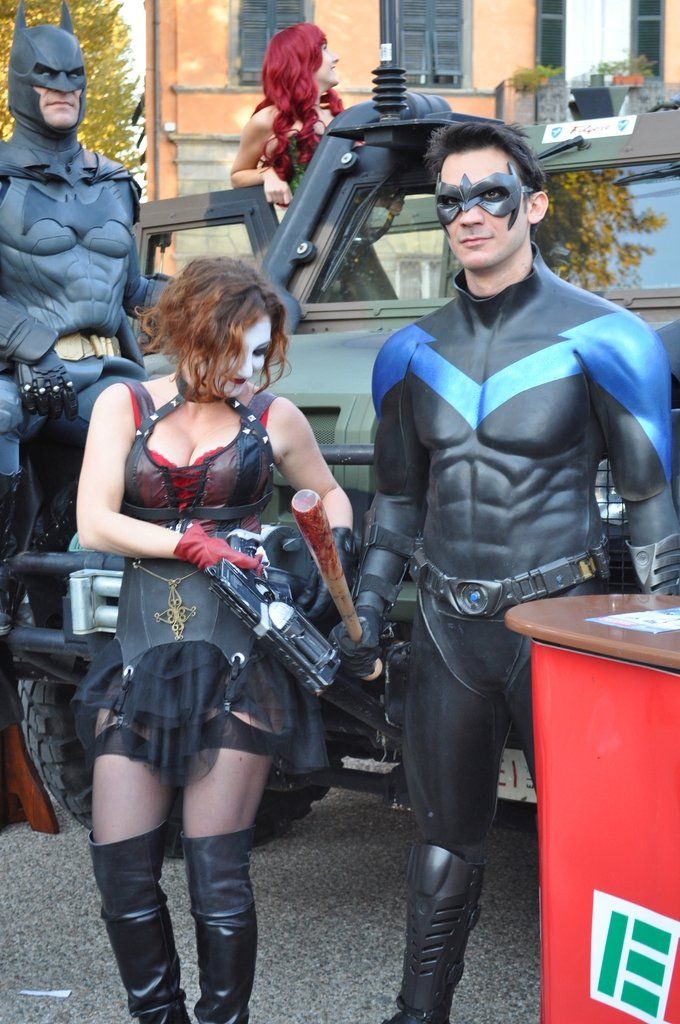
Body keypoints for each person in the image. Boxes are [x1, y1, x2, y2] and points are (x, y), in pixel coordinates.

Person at [331, 120, 680, 1024]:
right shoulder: (410, 352)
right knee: (441, 842)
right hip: (448, 626)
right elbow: (397, 503)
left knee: (607, 847)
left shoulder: (608, 339)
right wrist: (366, 605)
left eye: (490, 194)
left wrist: (662, 639)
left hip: (562, 624)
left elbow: (650, 502)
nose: (469, 215)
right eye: (451, 200)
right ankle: (419, 1013)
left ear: (534, 204)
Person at [72, 257, 354, 1024]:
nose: (250, 369)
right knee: (123, 877)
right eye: (237, 351)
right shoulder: (125, 404)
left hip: (240, 659)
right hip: (139, 659)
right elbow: (94, 521)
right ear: (193, 333)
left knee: (218, 878)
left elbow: (330, 494)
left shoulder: (273, 418)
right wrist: (189, 544)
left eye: (262, 353)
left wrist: (322, 548)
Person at [0, 1, 167, 636]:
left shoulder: (115, 182)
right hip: (17, 374)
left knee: (169, 428)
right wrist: (31, 347)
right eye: (46, 76)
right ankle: (3, 577)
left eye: (74, 77)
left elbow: (133, 290)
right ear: (21, 83)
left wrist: (221, 297)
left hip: (102, 372)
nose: (62, 89)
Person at [230, 22, 342, 207]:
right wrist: (268, 174)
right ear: (302, 61)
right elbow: (237, 176)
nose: (336, 57)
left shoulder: (338, 117)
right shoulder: (266, 120)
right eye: (324, 49)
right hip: (307, 222)